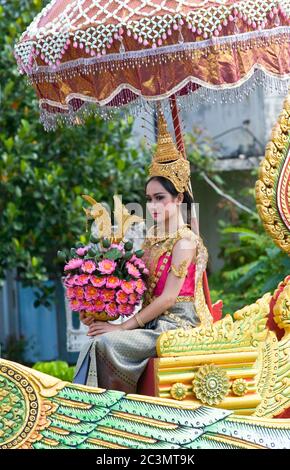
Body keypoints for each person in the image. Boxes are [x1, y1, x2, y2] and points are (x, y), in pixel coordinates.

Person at [73, 111, 210, 393]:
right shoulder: (152, 240)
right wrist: (99, 313)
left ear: (179, 198)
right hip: (151, 325)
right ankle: (91, 410)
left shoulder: (185, 242)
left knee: (108, 342)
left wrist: (123, 329)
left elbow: (169, 297)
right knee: (94, 339)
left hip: (177, 328)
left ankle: (111, 413)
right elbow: (134, 291)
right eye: (149, 199)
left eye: (160, 198)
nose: (152, 206)